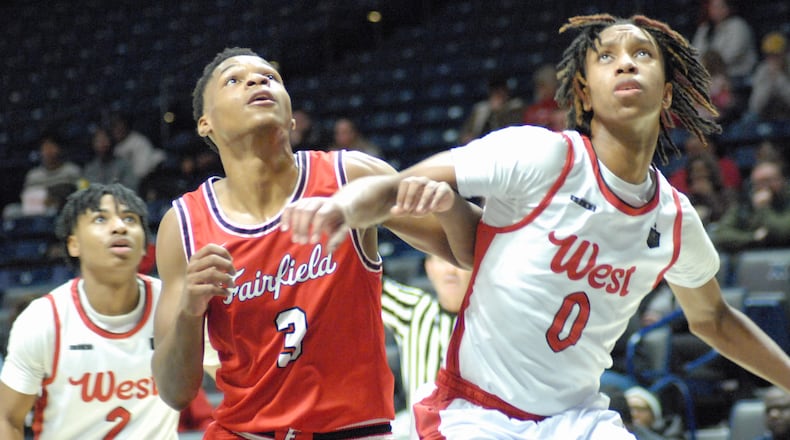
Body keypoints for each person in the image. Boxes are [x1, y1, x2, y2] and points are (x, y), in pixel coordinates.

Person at [281, 14, 790, 439]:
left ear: (665, 95)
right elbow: (401, 185)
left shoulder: (675, 219)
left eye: (643, 54)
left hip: (578, 421)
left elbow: (715, 320)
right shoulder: (543, 155)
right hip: (476, 414)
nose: (627, 62)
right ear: (584, 95)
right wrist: (341, 208)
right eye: (607, 57)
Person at [151, 47, 477, 439]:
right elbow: (174, 391)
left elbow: (470, 252)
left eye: (270, 77)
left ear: (291, 117)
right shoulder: (183, 225)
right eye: (234, 80)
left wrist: (450, 205)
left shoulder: (350, 176)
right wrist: (189, 309)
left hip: (355, 430)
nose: (257, 81)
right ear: (205, 124)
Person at [0, 183, 179, 439]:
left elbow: (229, 376)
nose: (119, 227)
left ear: (143, 245)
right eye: (100, 218)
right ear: (74, 245)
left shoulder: (173, 304)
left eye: (129, 218)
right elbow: (7, 418)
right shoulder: (43, 319)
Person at [382, 254, 470, 437]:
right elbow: (371, 283)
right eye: (442, 259)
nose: (450, 270)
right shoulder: (415, 311)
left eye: (459, 262)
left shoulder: (490, 322)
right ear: (429, 268)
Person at [712, 160, 790, 252]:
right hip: (752, 260)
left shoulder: (787, 203)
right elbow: (721, 234)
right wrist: (752, 237)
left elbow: (782, 232)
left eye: (768, 181)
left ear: (781, 180)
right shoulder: (745, 206)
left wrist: (763, 208)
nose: (764, 186)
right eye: (758, 182)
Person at [16, 132, 81, 217]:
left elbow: (80, 194)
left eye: (51, 146)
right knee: (9, 211)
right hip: (35, 208)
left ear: (59, 149)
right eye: (45, 147)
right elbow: (26, 198)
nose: (48, 151)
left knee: (53, 211)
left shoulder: (72, 170)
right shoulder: (33, 175)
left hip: (60, 209)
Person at [691, 0, 757, 81]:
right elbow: (695, 52)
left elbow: (734, 53)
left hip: (736, 75)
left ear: (728, 8)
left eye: (720, 7)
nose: (716, 10)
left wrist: (713, 63)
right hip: (708, 75)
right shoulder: (704, 28)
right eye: (713, 7)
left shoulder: (738, 25)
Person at [458, 75, 524, 144]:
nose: (498, 95)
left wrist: (498, 112)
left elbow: (509, 130)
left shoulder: (516, 107)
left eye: (501, 92)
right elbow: (465, 133)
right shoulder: (481, 109)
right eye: (495, 92)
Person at [745, 31, 790, 123]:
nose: (772, 59)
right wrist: (769, 80)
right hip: (768, 114)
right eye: (769, 55)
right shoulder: (763, 69)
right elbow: (755, 106)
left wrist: (779, 77)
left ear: (784, 52)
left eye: (776, 55)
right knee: (749, 119)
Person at [109, 112, 166, 182]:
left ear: (126, 126)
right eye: (114, 127)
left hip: (148, 181)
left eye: (120, 127)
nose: (117, 130)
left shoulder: (139, 141)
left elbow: (142, 171)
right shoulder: (115, 148)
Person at [82, 125, 139, 192]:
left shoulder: (124, 165)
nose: (102, 144)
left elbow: (131, 190)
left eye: (105, 139)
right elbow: (84, 192)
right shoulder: (90, 168)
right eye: (98, 141)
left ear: (112, 141)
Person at [522, 64, 565, 131]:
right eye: (539, 86)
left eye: (543, 85)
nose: (541, 90)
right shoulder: (532, 111)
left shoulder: (564, 105)